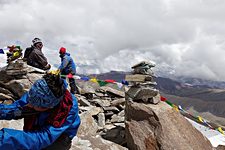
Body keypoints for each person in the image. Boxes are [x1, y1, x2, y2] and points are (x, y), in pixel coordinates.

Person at [0, 72, 80, 150]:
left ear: (50, 106)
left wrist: (4, 139)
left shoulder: (67, 109)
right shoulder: (37, 92)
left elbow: (44, 137)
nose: (29, 105)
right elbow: (17, 111)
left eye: (35, 104)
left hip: (59, 136)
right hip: (40, 125)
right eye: (30, 100)